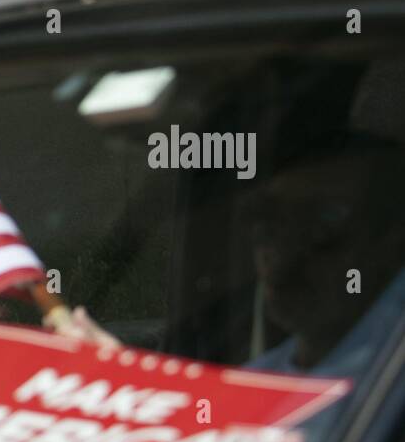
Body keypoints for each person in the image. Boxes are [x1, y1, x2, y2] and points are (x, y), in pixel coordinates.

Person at [58, 131, 405, 377]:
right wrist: (126, 384)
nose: (284, 249)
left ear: (394, 241)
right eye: (267, 220)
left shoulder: (382, 401)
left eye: (323, 225)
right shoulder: (259, 383)